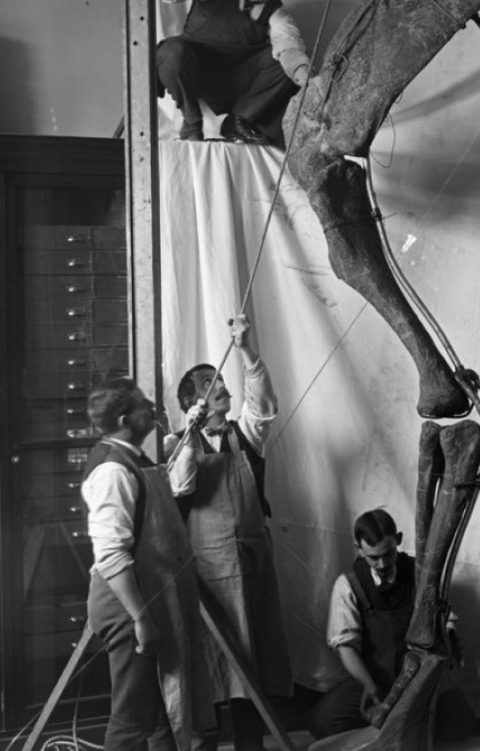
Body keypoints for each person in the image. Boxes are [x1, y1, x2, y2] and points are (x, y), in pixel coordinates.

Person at [164, 314, 291, 751]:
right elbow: (180, 486)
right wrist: (191, 431)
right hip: (209, 577)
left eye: (220, 379)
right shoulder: (179, 444)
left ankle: (252, 743)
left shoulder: (245, 434)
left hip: (253, 567)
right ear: (192, 401)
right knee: (218, 663)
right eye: (208, 382)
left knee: (256, 661)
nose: (221, 385)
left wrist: (245, 348)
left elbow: (265, 403)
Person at [81, 378, 214, 751]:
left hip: (151, 598)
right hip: (128, 607)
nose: (152, 405)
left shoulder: (131, 455)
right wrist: (140, 618)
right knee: (132, 720)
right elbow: (111, 555)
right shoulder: (112, 472)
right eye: (144, 405)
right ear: (126, 419)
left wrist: (191, 429)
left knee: (162, 717)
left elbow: (168, 447)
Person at [307, 509, 465, 740]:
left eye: (388, 553)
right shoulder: (348, 584)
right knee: (322, 722)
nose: (382, 563)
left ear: (398, 540)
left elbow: (445, 624)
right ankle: (392, 727)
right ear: (358, 548)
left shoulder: (420, 574)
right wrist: (368, 686)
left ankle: (403, 726)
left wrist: (449, 640)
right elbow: (346, 647)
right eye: (373, 557)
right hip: (374, 678)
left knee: (458, 721)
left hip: (418, 679)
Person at [155, 0, 310, 147]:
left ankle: (238, 121)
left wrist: (308, 79)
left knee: (283, 63)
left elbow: (288, 44)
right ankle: (192, 123)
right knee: (170, 52)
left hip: (235, 86)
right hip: (194, 74)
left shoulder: (277, 12)